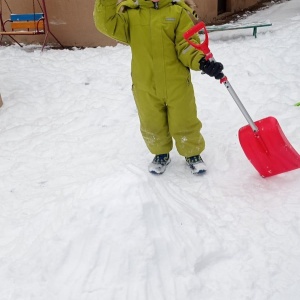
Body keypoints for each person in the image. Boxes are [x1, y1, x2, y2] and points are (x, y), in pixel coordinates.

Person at [94, 0, 224, 175]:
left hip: (176, 83)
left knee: (184, 120)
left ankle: (192, 153)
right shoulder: (130, 15)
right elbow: (106, 22)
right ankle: (160, 153)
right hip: (145, 84)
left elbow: (186, 45)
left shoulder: (177, 12)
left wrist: (201, 61)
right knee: (151, 122)